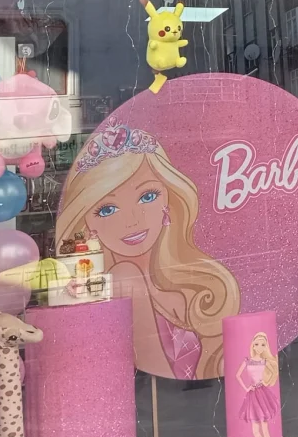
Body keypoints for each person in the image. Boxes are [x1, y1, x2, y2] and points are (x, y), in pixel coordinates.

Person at [56, 117, 240, 379]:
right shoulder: (124, 276)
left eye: (148, 196)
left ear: (169, 199)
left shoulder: (186, 280)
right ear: (86, 221)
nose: (132, 220)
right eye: (107, 209)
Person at [236, 331, 280, 437]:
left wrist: (265, 381)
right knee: (255, 429)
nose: (259, 347)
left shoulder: (264, 361)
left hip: (262, 393)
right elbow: (237, 375)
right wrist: (246, 388)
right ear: (253, 345)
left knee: (264, 427)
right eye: (257, 344)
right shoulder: (247, 361)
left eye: (263, 345)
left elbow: (273, 373)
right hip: (252, 395)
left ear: (265, 347)